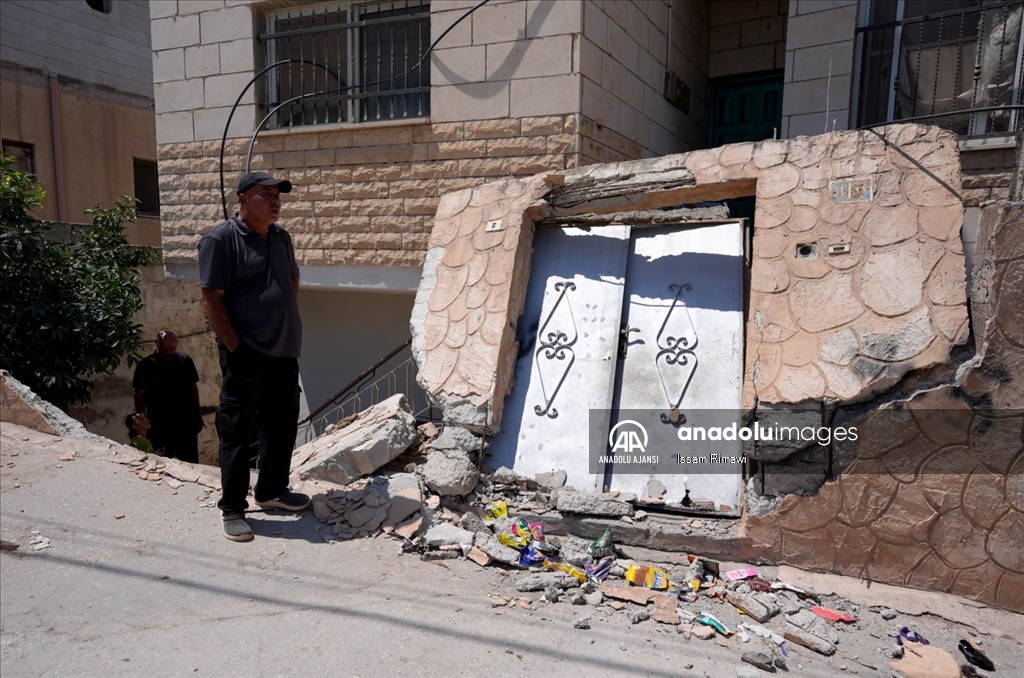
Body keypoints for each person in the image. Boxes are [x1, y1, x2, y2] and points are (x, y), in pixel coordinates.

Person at [198, 171, 309, 542]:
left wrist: (280, 319)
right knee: (237, 428)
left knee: (281, 423)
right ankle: (232, 507)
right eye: (267, 195)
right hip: (245, 351)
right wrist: (236, 347)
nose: (276, 201)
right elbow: (212, 297)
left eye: (278, 195)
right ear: (244, 199)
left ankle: (271, 491)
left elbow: (291, 282)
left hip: (283, 350)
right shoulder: (221, 239)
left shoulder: (281, 238)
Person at [132, 330, 203, 463]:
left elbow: (193, 389)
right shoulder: (145, 365)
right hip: (159, 424)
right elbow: (139, 395)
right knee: (163, 464)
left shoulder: (185, 361)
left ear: (177, 345)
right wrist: (143, 423)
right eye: (163, 349)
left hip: (185, 423)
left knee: (190, 463)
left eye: (171, 349)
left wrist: (198, 416)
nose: (167, 352)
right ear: (157, 345)